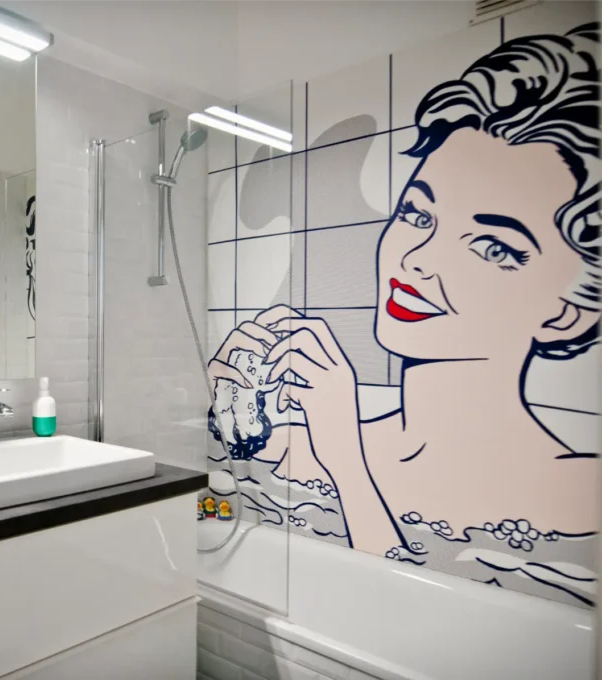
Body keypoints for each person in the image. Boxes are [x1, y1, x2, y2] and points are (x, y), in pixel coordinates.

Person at [208, 24, 600, 605]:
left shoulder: (579, 497)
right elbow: (213, 516)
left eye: (492, 246)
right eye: (418, 215)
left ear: (567, 313)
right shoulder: (297, 443)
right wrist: (233, 415)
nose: (417, 260)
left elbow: (410, 626)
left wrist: (347, 461)